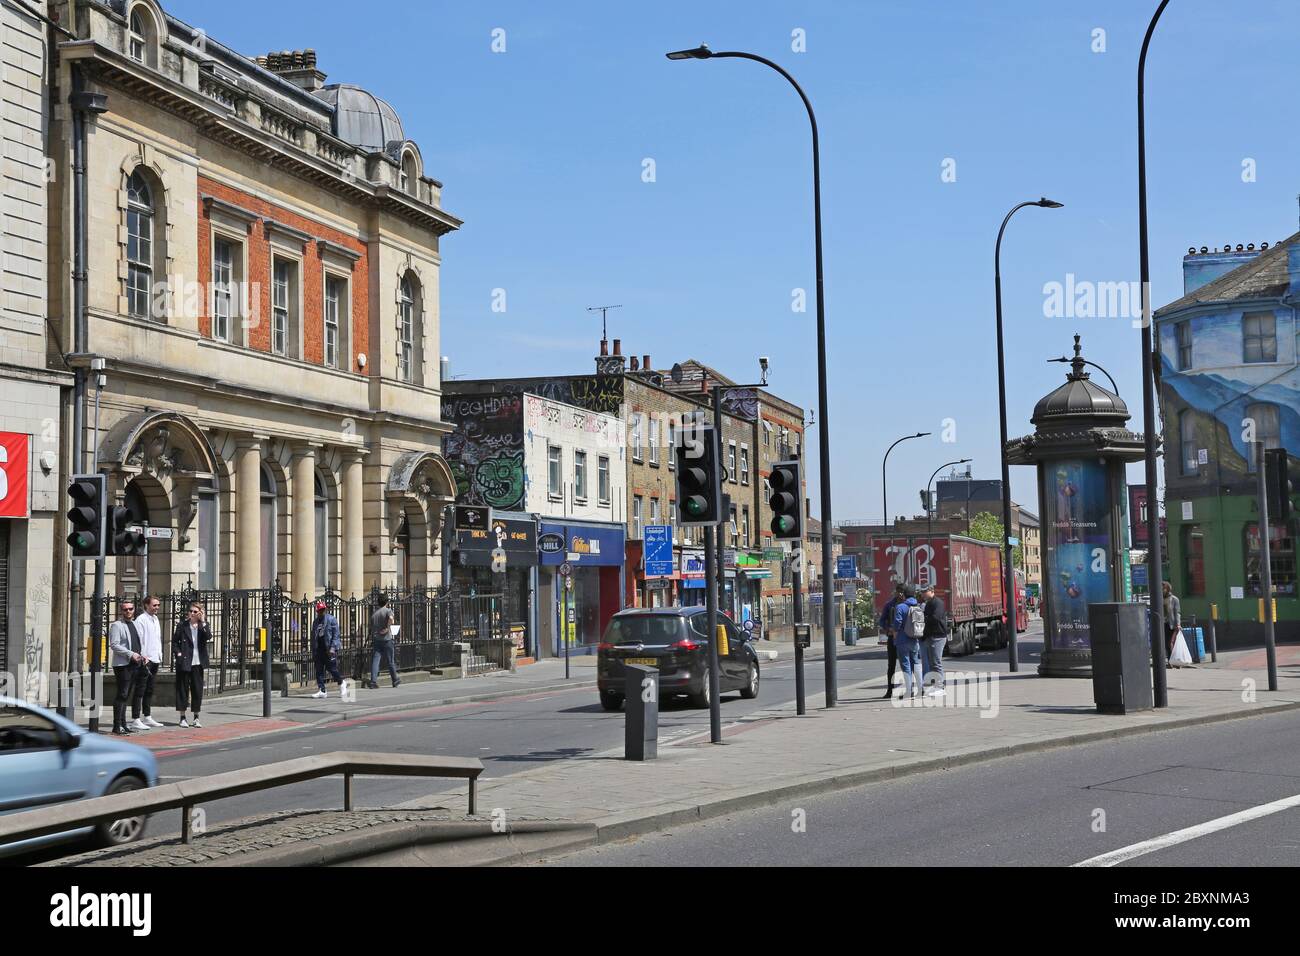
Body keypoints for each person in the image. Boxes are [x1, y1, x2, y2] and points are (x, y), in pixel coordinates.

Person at [107, 598, 144, 735]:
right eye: (125, 609)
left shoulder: (134, 624)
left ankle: (123, 724)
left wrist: (141, 655)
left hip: (135, 664)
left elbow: (137, 643)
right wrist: (131, 654)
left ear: (134, 610)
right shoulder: (117, 625)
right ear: (121, 611)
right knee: (122, 694)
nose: (128, 611)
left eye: (130, 609)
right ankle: (116, 726)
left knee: (127, 694)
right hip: (123, 665)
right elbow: (114, 645)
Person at [129, 594, 164, 730]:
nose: (157, 608)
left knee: (150, 689)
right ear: (146, 605)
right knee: (140, 689)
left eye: (158, 605)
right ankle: (136, 718)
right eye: (154, 605)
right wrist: (143, 657)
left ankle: (147, 716)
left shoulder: (155, 619)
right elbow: (139, 640)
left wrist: (159, 655)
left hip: (155, 658)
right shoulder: (141, 620)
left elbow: (157, 639)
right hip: (145, 660)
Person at [173, 602, 210, 728]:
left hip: (198, 662)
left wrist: (203, 621)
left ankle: (196, 717)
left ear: (200, 612)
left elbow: (208, 636)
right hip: (185, 661)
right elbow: (175, 642)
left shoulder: (203, 626)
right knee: (182, 689)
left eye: (195, 612)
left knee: (197, 690)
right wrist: (178, 654)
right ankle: (182, 717)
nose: (192, 614)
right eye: (191, 611)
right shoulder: (182, 625)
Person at [891, 585, 925, 699]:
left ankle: (909, 691)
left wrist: (895, 632)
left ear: (904, 595)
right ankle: (921, 689)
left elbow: (897, 622)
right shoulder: (918, 606)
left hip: (902, 639)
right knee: (916, 663)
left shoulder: (901, 607)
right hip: (915, 639)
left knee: (906, 666)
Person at [311, 600, 347, 699]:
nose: (321, 612)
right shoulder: (316, 622)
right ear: (317, 611)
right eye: (320, 610)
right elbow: (313, 636)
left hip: (329, 649)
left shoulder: (331, 619)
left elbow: (336, 635)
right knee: (319, 670)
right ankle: (322, 690)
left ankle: (342, 682)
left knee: (332, 669)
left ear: (325, 609)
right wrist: (313, 650)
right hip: (319, 649)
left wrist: (332, 648)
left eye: (323, 609)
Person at [878, 584, 906, 699]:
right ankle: (890, 690)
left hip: (905, 638)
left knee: (906, 665)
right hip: (892, 638)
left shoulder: (908, 604)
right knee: (891, 666)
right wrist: (887, 628)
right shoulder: (889, 605)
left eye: (901, 592)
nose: (899, 594)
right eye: (898, 591)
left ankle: (908, 689)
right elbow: (882, 620)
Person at [367, 594, 400, 689]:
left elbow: (371, 627)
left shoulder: (374, 614)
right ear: (387, 602)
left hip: (377, 639)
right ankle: (395, 680)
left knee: (375, 660)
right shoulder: (388, 610)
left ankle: (373, 681)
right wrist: (387, 627)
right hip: (387, 639)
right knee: (390, 661)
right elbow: (391, 619)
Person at [920, 584, 948, 697]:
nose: (923, 594)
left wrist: (923, 617)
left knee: (936, 662)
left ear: (931, 591)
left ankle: (940, 687)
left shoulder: (938, 603)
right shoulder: (928, 604)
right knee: (931, 663)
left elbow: (936, 618)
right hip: (930, 636)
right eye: (922, 592)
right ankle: (935, 685)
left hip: (938, 636)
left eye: (925, 591)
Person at [1162, 581, 1181, 659]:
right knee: (1166, 643)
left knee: (1170, 642)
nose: (1162, 590)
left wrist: (1178, 624)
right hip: (1163, 624)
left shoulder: (1174, 599)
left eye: (1163, 588)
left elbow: (1177, 613)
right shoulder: (1160, 599)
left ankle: (1173, 660)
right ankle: (1171, 660)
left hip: (1171, 624)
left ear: (1167, 589)